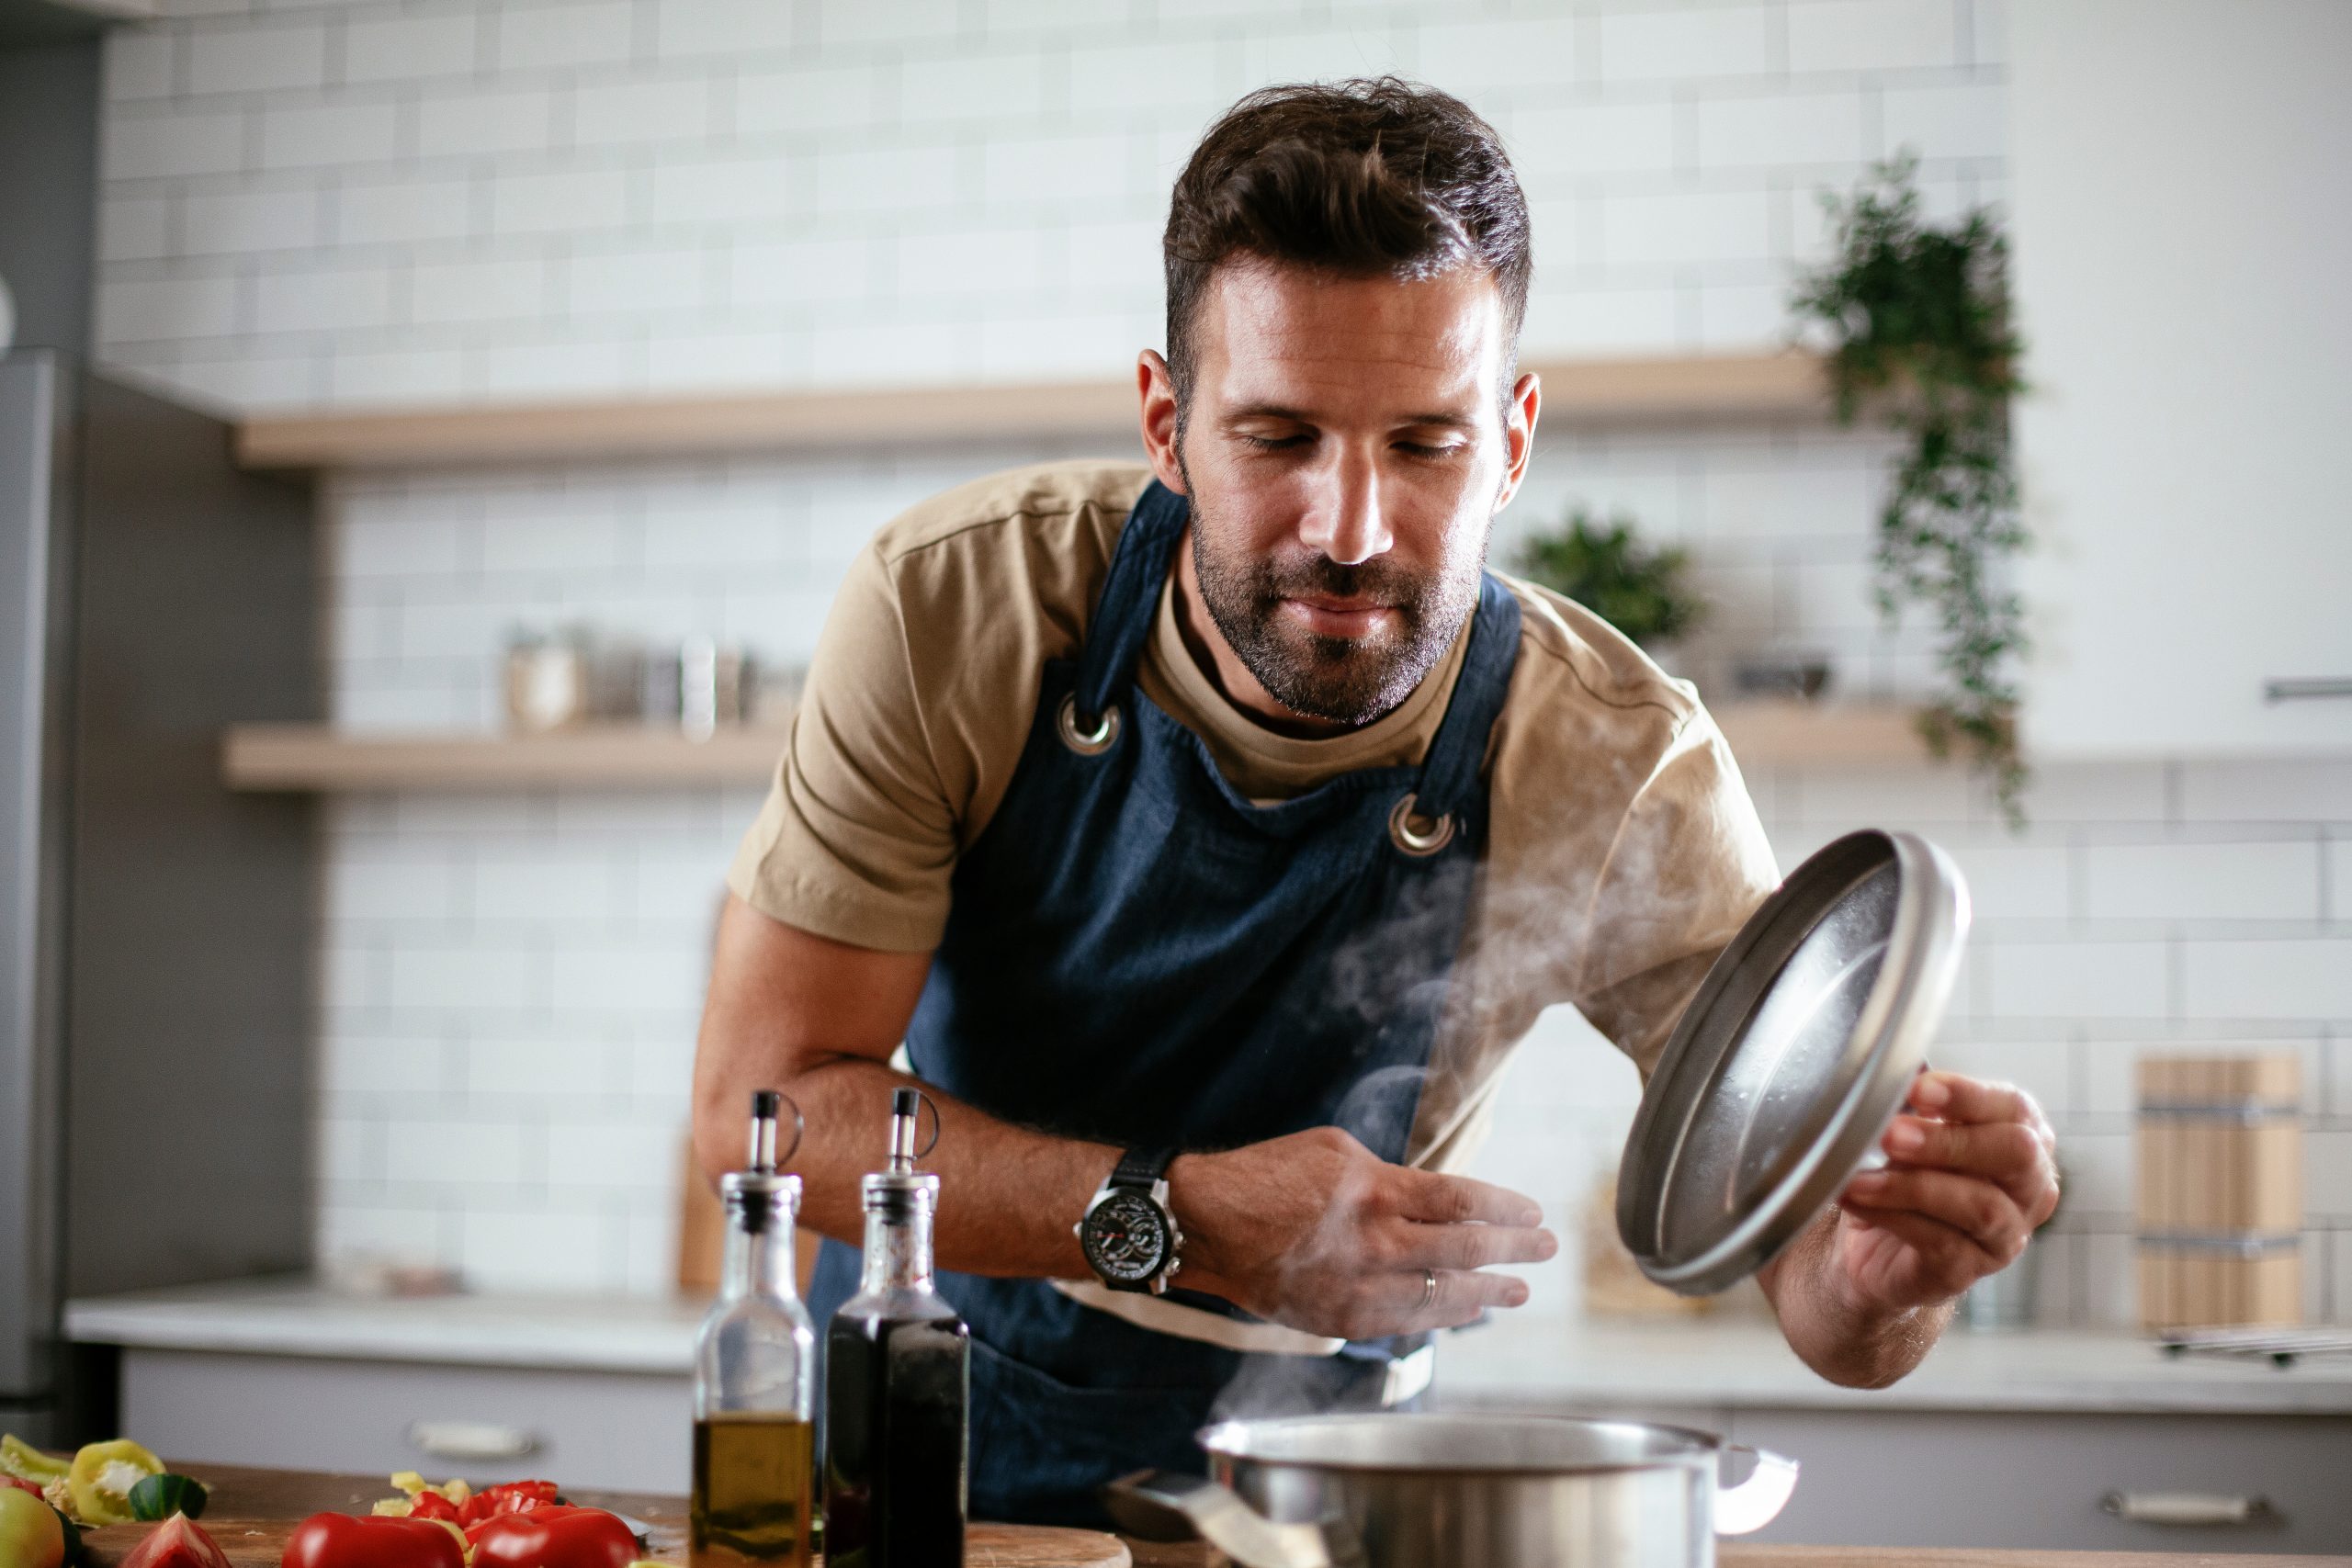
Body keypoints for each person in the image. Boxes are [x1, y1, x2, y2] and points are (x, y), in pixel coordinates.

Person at [693, 77, 2060, 1528]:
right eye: (1278, 438)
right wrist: (1194, 1219)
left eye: (1426, 445)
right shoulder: (958, 608)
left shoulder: (1612, 758)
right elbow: (759, 1116)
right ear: (1167, 422)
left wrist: (1881, 1279)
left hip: (1320, 1508)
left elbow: (1820, 1297)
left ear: (1515, 442)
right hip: (923, 1471)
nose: (1350, 533)